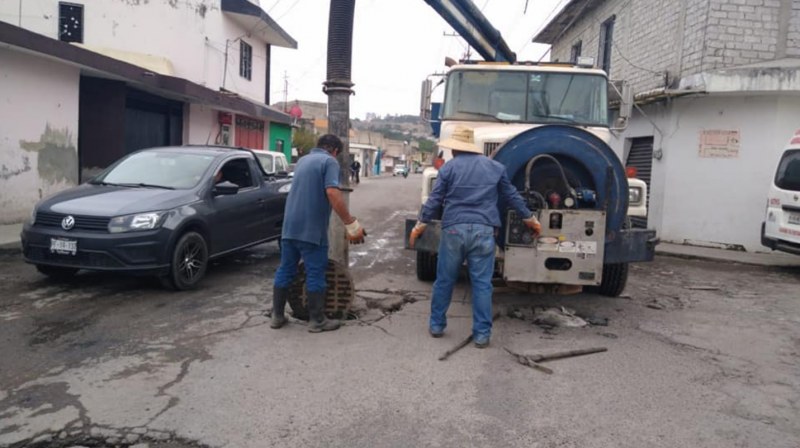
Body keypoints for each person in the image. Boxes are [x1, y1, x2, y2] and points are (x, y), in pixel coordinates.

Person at [409, 126, 541, 348]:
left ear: (455, 150)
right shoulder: (495, 168)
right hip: (483, 231)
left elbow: (434, 201)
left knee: (444, 280)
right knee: (482, 284)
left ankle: (437, 325)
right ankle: (481, 335)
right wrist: (530, 219)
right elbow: (512, 197)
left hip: (453, 230)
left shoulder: (448, 169)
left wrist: (420, 225)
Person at [271, 134, 367, 332]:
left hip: (289, 228)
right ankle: (317, 320)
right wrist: (350, 222)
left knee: (286, 269)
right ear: (334, 150)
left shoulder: (303, 160)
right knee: (316, 272)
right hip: (312, 230)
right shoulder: (328, 161)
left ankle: (277, 316)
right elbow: (332, 193)